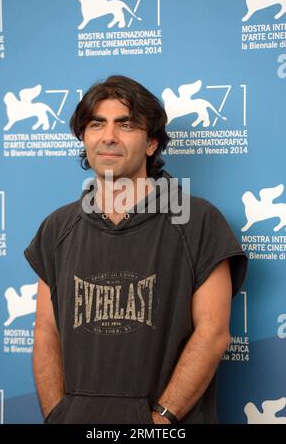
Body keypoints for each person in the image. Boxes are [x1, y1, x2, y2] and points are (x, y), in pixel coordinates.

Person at [24, 75, 248, 425]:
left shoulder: (198, 221)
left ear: (151, 143)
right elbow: (45, 330)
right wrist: (58, 415)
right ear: (84, 138)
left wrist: (159, 420)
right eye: (97, 123)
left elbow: (213, 333)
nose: (109, 136)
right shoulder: (57, 228)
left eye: (125, 124)